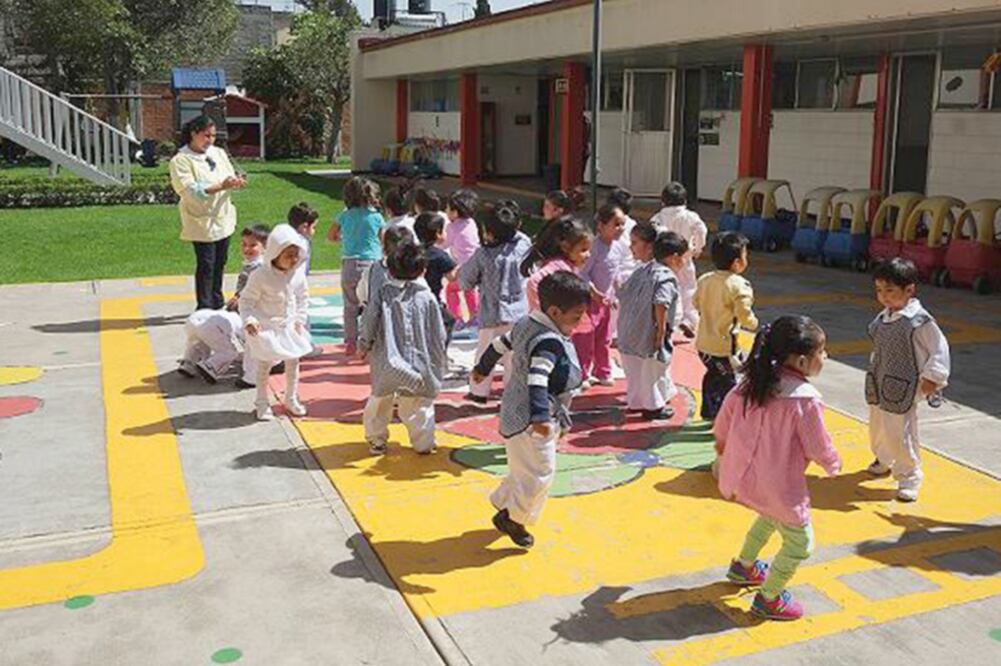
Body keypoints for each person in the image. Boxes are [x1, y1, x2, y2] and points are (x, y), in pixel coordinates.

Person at [715, 315, 841, 621]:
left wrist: (721, 448)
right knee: (800, 543)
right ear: (801, 360)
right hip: (780, 484)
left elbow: (723, 423)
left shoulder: (750, 386)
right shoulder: (803, 400)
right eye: (821, 353)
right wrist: (832, 463)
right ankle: (769, 597)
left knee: (770, 516)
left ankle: (744, 565)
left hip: (749, 478)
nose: (825, 358)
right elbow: (817, 445)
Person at [472, 271, 590, 548]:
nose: (580, 322)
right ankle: (513, 517)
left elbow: (500, 344)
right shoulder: (548, 341)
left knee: (523, 467)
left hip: (514, 410)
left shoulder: (527, 322)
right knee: (539, 473)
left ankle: (504, 502)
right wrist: (540, 418)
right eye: (575, 317)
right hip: (532, 419)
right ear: (554, 311)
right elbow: (537, 378)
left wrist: (483, 367)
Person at [865, 258, 950, 502]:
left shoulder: (919, 321)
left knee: (900, 431)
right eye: (879, 290)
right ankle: (884, 458)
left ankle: (909, 475)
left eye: (890, 290)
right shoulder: (884, 316)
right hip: (880, 381)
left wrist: (933, 378)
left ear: (909, 289)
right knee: (878, 425)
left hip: (905, 386)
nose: (883, 296)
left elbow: (939, 349)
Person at [358, 242, 447, 456]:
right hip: (420, 360)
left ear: (389, 269)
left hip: (387, 358)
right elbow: (438, 331)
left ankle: (377, 439)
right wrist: (439, 354)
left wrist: (364, 344)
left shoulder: (382, 294)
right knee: (418, 403)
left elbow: (369, 321)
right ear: (422, 270)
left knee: (380, 399)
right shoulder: (427, 297)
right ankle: (423, 442)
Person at [169, 115, 246, 310]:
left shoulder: (218, 153)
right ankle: (204, 306)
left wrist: (235, 181)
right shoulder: (181, 160)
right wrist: (221, 185)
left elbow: (228, 174)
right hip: (201, 219)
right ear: (194, 134)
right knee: (206, 264)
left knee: (221, 262)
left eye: (213, 136)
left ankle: (217, 301)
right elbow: (190, 190)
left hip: (223, 216)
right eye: (206, 135)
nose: (210, 140)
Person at [460, 201, 532, 404]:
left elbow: (466, 281)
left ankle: (479, 391)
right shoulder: (523, 244)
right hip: (519, 312)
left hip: (492, 314)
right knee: (514, 357)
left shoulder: (484, 254)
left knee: (485, 354)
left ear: (489, 232)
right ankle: (512, 393)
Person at [241, 224, 312, 421]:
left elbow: (303, 297)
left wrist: (300, 318)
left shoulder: (297, 273)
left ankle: (290, 397)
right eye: (288, 255)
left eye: (296, 254)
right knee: (264, 365)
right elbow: (246, 302)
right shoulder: (260, 276)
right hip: (267, 328)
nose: (294, 259)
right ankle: (262, 402)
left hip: (289, 327)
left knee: (293, 362)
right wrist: (250, 319)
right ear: (275, 253)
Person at [617, 227, 685, 420]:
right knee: (653, 370)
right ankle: (653, 406)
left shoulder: (642, 270)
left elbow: (623, 293)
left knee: (635, 371)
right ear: (674, 257)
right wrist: (660, 330)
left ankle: (636, 401)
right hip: (648, 331)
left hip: (628, 331)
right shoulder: (666, 276)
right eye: (683, 257)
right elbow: (661, 302)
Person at [694, 232, 758, 420]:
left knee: (712, 375)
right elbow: (744, 313)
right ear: (737, 262)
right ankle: (727, 416)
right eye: (746, 255)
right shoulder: (739, 285)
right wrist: (753, 324)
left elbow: (695, 302)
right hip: (725, 346)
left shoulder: (705, 279)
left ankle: (709, 409)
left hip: (703, 344)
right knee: (730, 382)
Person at [328, 177, 385, 356]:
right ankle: (370, 339)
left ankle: (350, 341)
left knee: (350, 305)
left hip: (350, 263)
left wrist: (342, 238)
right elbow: (384, 239)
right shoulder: (376, 217)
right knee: (372, 304)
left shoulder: (345, 215)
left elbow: (331, 236)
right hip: (372, 263)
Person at [573, 204, 626, 388]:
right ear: (601, 226)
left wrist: (619, 292)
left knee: (604, 338)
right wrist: (593, 291)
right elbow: (583, 273)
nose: (620, 228)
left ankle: (602, 370)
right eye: (616, 224)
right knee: (585, 338)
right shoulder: (594, 247)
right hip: (589, 301)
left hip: (607, 301)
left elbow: (616, 272)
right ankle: (583, 373)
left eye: (622, 224)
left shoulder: (619, 247)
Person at [650, 182, 708, 337]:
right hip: (685, 257)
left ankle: (671, 320)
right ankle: (689, 319)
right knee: (688, 288)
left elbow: (655, 233)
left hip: (665, 260)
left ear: (663, 201)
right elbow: (701, 229)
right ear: (685, 201)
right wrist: (698, 247)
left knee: (666, 289)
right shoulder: (690, 216)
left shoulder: (658, 218)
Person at [521, 216, 593, 312]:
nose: (588, 255)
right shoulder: (557, 271)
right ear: (565, 247)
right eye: (583, 250)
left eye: (589, 250)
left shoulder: (569, 268)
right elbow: (534, 283)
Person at [414, 212, 458, 346]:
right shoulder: (440, 256)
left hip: (412, 298)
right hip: (432, 300)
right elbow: (452, 277)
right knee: (449, 321)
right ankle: (440, 351)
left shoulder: (413, 251)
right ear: (438, 233)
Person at [444, 189, 482, 326]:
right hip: (476, 262)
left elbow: (445, 244)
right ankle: (475, 317)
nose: (445, 211)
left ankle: (457, 318)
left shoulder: (452, 227)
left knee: (452, 289)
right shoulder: (471, 222)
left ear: (454, 212)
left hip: (463, 265)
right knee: (469, 290)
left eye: (447, 209)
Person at [178, 308, 245, 383]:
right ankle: (209, 366)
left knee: (198, 344)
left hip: (191, 321)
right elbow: (246, 341)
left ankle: (188, 363)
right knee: (230, 352)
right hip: (210, 326)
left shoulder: (221, 313)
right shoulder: (239, 319)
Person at [358, 225, 417, 307]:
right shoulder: (416, 269)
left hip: (380, 316)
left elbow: (362, 295)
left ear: (384, 247)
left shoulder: (372, 270)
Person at [226, 224, 270, 312]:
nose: (247, 248)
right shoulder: (250, 264)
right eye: (244, 244)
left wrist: (240, 299)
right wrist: (237, 296)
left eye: (253, 245)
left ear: (265, 247)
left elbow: (259, 292)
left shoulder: (260, 268)